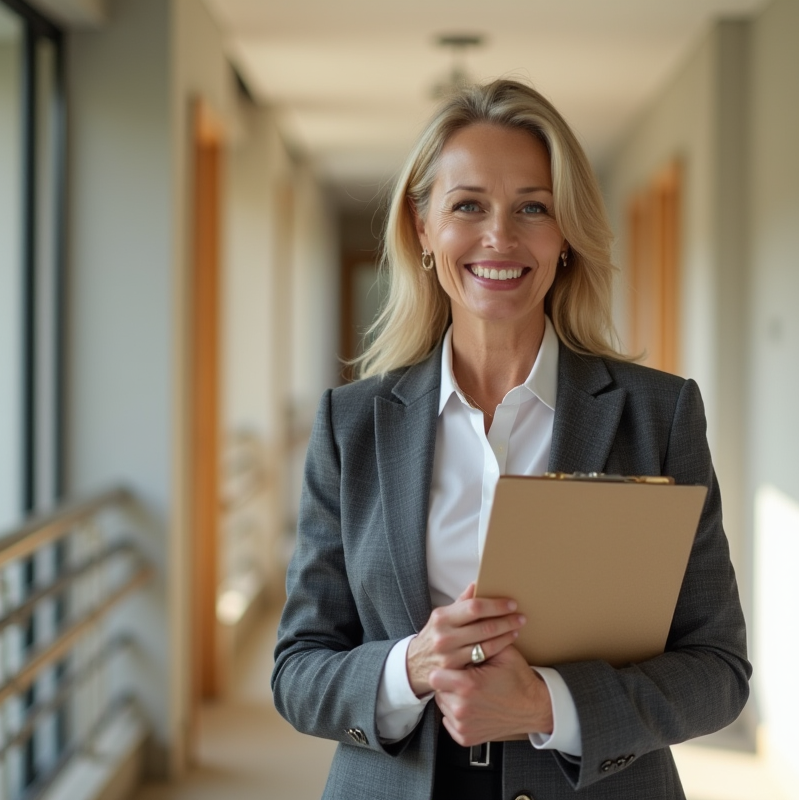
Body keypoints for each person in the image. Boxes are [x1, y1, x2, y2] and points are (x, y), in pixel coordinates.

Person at [271, 79, 750, 800]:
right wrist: (413, 665)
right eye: (468, 206)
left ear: (566, 237)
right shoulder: (352, 425)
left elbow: (717, 669)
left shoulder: (659, 415)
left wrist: (547, 705)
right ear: (424, 229)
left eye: (534, 207)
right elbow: (298, 671)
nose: (500, 236)